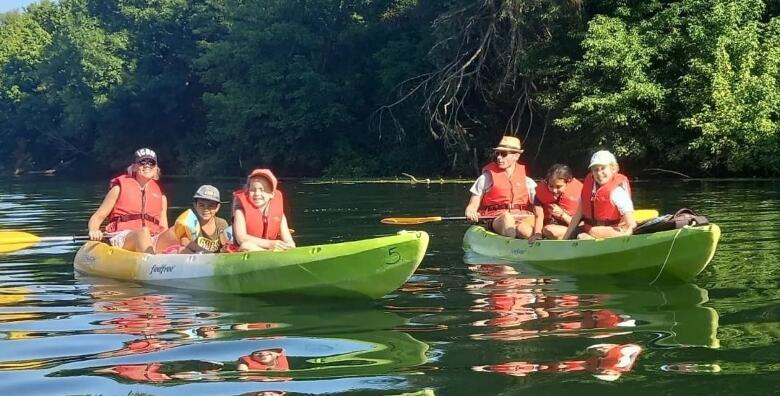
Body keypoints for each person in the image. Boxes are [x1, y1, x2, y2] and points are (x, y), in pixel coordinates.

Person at [87, 148, 168, 253]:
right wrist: (94, 230)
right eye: (142, 162)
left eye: (151, 162)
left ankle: (192, 258)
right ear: (134, 167)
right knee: (143, 232)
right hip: (122, 236)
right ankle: (153, 264)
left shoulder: (162, 198)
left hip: (152, 237)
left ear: (156, 168)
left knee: (175, 233)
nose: (147, 165)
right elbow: (97, 217)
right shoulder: (118, 189)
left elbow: (164, 229)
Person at [465, 136, 537, 239]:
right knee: (507, 219)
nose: (499, 157)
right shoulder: (485, 178)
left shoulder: (528, 182)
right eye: (497, 154)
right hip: (496, 218)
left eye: (504, 154)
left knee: (527, 229)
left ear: (516, 156)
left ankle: (533, 244)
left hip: (522, 217)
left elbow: (538, 206)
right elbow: (472, 206)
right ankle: (513, 246)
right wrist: (470, 212)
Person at [563, 150, 637, 240]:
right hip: (590, 230)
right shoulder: (589, 188)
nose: (599, 173)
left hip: (616, 230)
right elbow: (577, 215)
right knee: (581, 234)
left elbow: (631, 224)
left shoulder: (617, 191)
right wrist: (565, 238)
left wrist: (626, 236)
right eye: (595, 169)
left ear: (613, 168)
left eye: (603, 168)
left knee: (586, 234)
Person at [156, 185, 231, 254]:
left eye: (211, 206)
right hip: (195, 258)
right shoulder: (190, 221)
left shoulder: (222, 223)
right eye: (201, 205)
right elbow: (184, 241)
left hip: (214, 260)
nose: (206, 209)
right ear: (195, 206)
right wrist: (203, 251)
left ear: (217, 208)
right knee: (183, 250)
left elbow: (225, 243)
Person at [232, 169, 295, 251]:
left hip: (271, 249)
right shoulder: (240, 212)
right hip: (248, 249)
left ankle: (271, 255)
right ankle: (269, 255)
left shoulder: (279, 215)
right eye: (253, 190)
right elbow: (241, 238)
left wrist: (289, 245)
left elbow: (288, 240)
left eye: (263, 190)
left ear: (271, 194)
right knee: (246, 246)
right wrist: (270, 244)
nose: (257, 194)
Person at [530, 164, 583, 242]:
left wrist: (562, 214)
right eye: (551, 186)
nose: (554, 190)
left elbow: (580, 223)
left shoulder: (581, 193)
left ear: (568, 182)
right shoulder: (540, 194)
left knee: (550, 230)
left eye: (558, 187)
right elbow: (539, 216)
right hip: (549, 226)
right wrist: (537, 234)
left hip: (573, 227)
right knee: (525, 230)